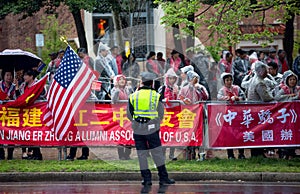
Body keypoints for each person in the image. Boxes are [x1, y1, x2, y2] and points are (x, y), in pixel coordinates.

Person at [127, 72, 175, 186]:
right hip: (152, 128)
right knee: (157, 153)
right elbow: (161, 113)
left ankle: (146, 179)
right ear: (152, 83)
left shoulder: (134, 95)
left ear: (142, 82)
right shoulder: (156, 95)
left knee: (142, 154)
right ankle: (163, 178)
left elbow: (129, 114)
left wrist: (136, 121)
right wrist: (156, 122)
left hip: (138, 128)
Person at [15, 69, 46, 160]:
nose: (24, 77)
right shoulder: (23, 86)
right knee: (28, 132)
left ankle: (37, 154)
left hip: (36, 112)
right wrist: (16, 88)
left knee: (35, 132)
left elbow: (43, 95)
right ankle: (33, 153)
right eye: (24, 75)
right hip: (26, 113)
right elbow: (19, 99)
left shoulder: (38, 84)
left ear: (31, 76)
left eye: (26, 75)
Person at [247, 62, 274, 157]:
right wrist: (274, 96)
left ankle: (257, 153)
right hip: (258, 111)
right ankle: (258, 153)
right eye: (266, 70)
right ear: (261, 71)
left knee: (256, 132)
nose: (268, 72)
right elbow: (266, 98)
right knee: (259, 132)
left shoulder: (254, 79)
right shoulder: (260, 83)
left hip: (253, 110)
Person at [217, 72, 246, 159]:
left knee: (240, 134)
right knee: (229, 135)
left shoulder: (237, 88)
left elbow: (243, 97)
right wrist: (226, 98)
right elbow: (219, 97)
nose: (229, 82)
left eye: (230, 80)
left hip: (238, 114)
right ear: (224, 81)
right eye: (227, 80)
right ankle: (230, 154)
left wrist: (237, 98)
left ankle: (241, 153)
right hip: (227, 115)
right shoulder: (222, 90)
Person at [273, 70, 299, 159]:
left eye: (294, 79)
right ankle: (283, 151)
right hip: (284, 116)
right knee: (284, 133)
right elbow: (277, 97)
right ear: (286, 80)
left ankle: (292, 152)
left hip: (294, 116)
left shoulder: (298, 89)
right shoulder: (283, 89)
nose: (292, 81)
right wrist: (291, 96)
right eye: (290, 79)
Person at [111, 74, 134, 160]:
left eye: (123, 79)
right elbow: (113, 100)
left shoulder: (127, 89)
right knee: (120, 134)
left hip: (127, 115)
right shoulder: (114, 89)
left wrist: (131, 88)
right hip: (119, 115)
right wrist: (117, 90)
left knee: (129, 133)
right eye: (120, 79)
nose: (122, 81)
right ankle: (121, 155)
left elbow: (131, 98)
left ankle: (127, 154)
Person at [158, 68, 179, 160]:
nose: (172, 80)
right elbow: (158, 99)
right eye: (170, 78)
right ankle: (162, 154)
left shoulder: (177, 88)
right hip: (165, 114)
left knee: (173, 134)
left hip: (174, 114)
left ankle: (171, 154)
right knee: (164, 134)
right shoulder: (162, 88)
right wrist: (164, 100)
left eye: (173, 78)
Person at [0, 70, 16, 160]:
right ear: (3, 76)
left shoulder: (14, 87)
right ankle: (1, 154)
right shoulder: (0, 86)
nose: (9, 77)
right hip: (1, 113)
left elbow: (17, 99)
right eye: (7, 75)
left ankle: (10, 155)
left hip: (11, 113)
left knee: (11, 133)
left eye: (10, 75)